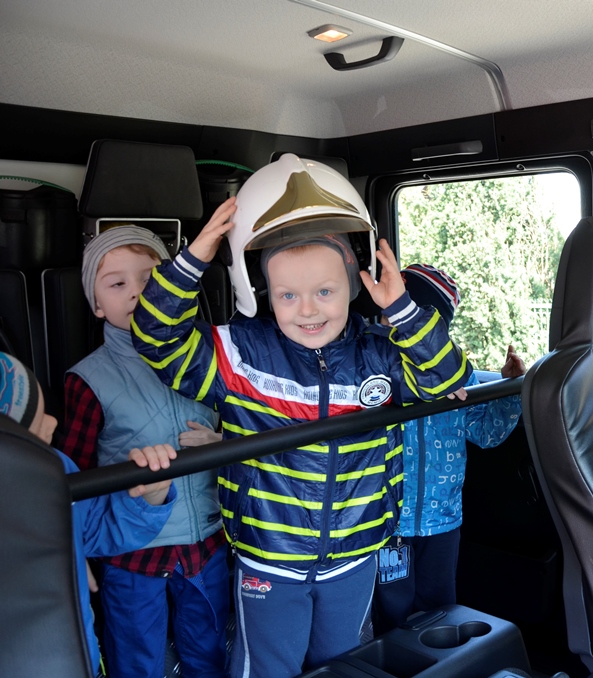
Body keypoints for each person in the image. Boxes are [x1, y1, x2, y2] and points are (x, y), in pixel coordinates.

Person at [130, 154, 471, 678]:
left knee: (343, 667)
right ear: (260, 290)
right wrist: (193, 259)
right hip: (269, 557)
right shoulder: (238, 355)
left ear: (354, 284)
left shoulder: (379, 354)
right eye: (288, 295)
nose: (307, 310)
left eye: (325, 292)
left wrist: (401, 310)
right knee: (268, 668)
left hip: (357, 553)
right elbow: (157, 338)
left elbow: (445, 379)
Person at [59, 225, 230, 678]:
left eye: (152, 280)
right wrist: (73, 555)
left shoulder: (211, 356)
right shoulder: (88, 379)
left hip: (208, 541)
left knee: (210, 654)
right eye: (117, 284)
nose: (137, 293)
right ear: (97, 304)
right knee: (138, 662)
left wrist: (223, 443)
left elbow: (246, 422)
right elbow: (72, 479)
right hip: (132, 554)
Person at [0, 351, 179, 678]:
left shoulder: (56, 470)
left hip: (78, 653)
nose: (53, 422)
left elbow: (100, 528)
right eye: (39, 424)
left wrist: (150, 496)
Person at [372, 264, 526, 633]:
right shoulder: (374, 362)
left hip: (442, 517)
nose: (393, 324)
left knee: (440, 610)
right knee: (390, 612)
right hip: (387, 520)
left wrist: (510, 390)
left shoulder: (457, 373)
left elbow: (486, 432)